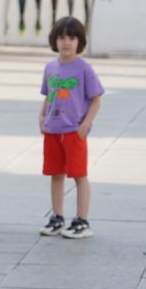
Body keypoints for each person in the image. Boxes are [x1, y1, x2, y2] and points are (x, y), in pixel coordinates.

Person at [38, 16, 104, 240]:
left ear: (80, 41)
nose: (66, 42)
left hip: (73, 131)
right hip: (52, 130)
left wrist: (85, 124)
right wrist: (41, 115)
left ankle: (81, 221)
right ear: (54, 40)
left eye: (72, 38)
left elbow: (96, 99)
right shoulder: (51, 67)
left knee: (79, 175)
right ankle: (57, 217)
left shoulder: (84, 68)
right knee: (56, 174)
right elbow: (49, 96)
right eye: (62, 37)